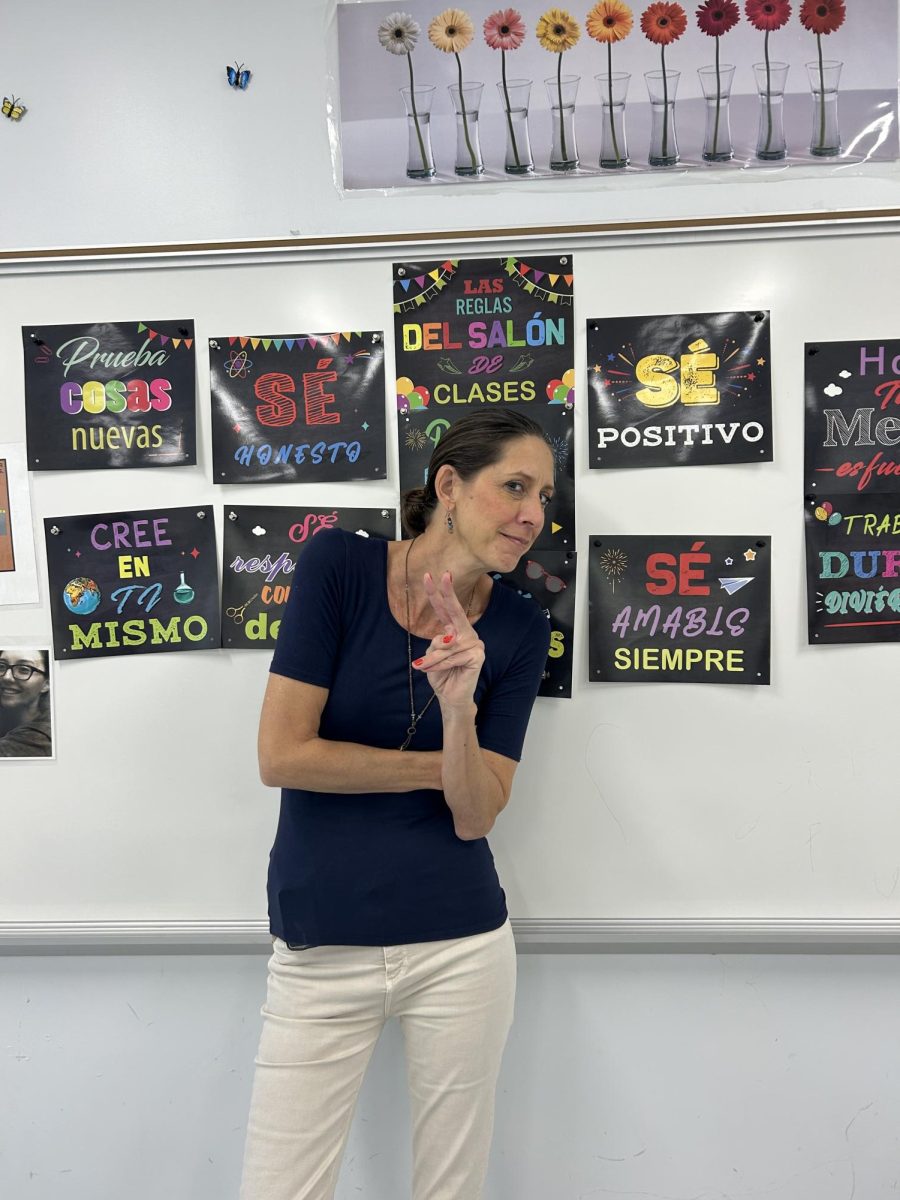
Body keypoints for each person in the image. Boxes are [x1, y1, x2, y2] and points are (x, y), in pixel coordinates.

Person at [239, 409, 555, 1200]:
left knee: (450, 1188)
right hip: (322, 941)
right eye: (514, 487)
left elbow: (477, 815)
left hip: (462, 945)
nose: (532, 515)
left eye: (545, 496)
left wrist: (458, 708)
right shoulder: (338, 566)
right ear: (449, 485)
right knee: (279, 1186)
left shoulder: (520, 627)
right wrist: (437, 769)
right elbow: (283, 756)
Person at [0, 648, 52, 758]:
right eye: (1, 666)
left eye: (23, 669)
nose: (6, 677)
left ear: (46, 684)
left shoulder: (40, 738)